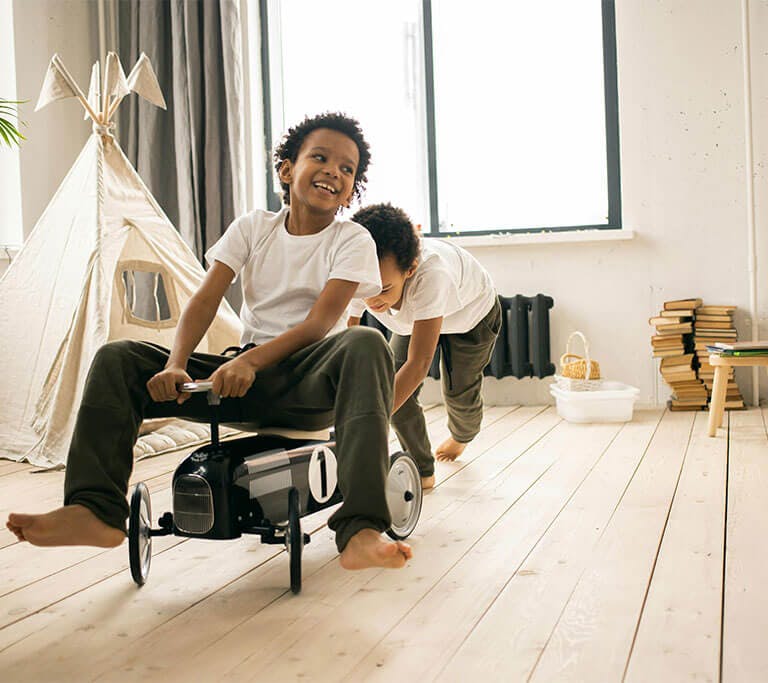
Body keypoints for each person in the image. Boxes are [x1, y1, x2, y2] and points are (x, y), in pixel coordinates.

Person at [7, 113, 413, 571]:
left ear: (352, 187)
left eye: (347, 169)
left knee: (364, 342)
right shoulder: (253, 228)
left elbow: (319, 324)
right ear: (286, 169)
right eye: (320, 158)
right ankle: (95, 511)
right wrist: (176, 364)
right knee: (118, 357)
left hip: (308, 384)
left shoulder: (352, 239)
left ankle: (360, 529)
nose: (333, 172)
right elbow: (204, 299)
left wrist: (252, 362)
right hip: (242, 380)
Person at [348, 204, 500, 488]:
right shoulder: (363, 273)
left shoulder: (431, 275)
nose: (370, 300)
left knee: (459, 392)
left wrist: (371, 420)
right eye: (364, 289)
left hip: (470, 316)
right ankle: (422, 470)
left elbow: (418, 364)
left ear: (410, 269)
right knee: (389, 388)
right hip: (413, 321)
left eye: (382, 290)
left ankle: (462, 436)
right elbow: (347, 338)